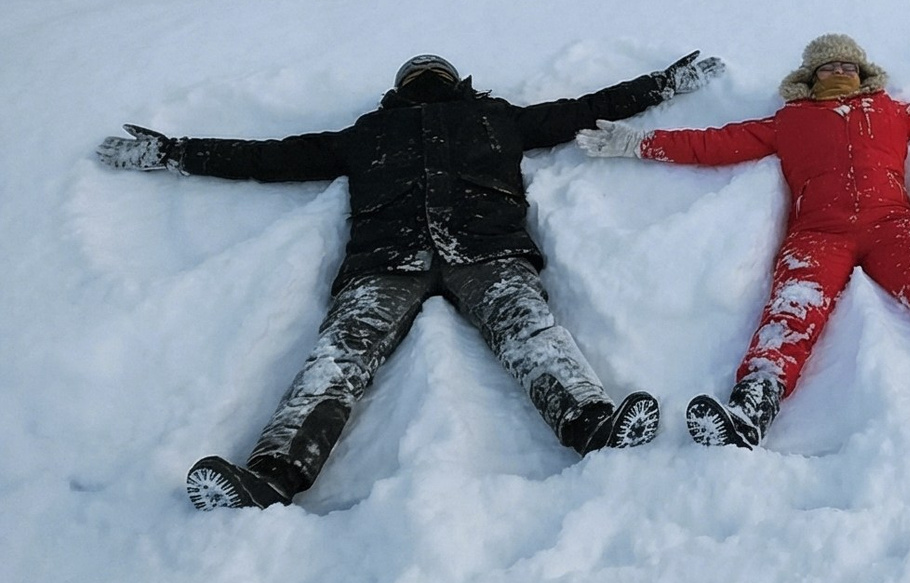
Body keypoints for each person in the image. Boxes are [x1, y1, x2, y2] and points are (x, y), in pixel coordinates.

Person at [96, 50, 722, 510]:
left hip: (480, 251)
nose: (426, 80)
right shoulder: (371, 133)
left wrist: (663, 83)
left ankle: (595, 426)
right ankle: (271, 475)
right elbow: (270, 156)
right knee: (345, 355)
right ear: (403, 90)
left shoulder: (493, 118)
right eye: (418, 75)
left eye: (432, 73)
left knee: (524, 332)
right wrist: (174, 152)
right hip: (391, 261)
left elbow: (586, 110)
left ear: (449, 83)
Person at [578, 34, 910, 448]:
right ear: (811, 77)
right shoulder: (789, 122)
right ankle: (750, 411)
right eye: (829, 67)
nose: (840, 72)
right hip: (818, 235)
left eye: (849, 66)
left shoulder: (891, 112)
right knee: (790, 315)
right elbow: (712, 143)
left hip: (893, 226)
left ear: (863, 73)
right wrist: (637, 143)